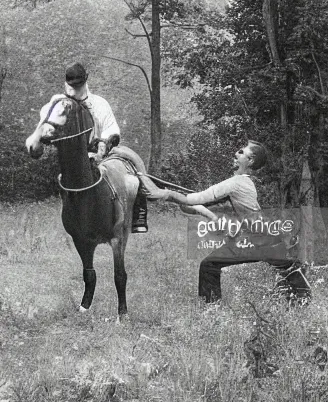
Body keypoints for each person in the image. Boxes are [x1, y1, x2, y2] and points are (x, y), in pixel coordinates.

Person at [139, 141, 311, 305]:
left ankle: (211, 309)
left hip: (257, 239)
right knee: (285, 267)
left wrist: (166, 194)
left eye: (242, 151)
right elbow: (194, 206)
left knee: (209, 265)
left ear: (250, 161)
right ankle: (302, 297)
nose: (236, 153)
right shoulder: (244, 182)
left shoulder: (235, 183)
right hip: (265, 236)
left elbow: (193, 199)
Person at [39, 63, 163, 233]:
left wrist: (104, 142)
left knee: (132, 166)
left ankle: (139, 212)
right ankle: (72, 216)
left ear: (85, 82)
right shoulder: (61, 105)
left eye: (78, 85)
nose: (74, 89)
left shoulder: (99, 103)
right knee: (64, 176)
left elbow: (112, 127)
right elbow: (51, 124)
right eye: (71, 85)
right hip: (76, 156)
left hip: (101, 153)